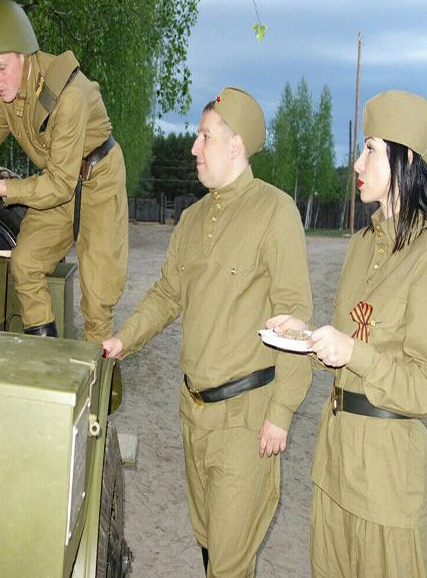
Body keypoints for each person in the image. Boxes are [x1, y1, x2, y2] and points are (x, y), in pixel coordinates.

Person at [103, 87, 313, 577]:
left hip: (246, 420)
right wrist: (122, 339)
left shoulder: (276, 211)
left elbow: (295, 316)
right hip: (193, 413)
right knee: (207, 539)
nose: (194, 147)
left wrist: (281, 413)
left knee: (229, 560)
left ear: (235, 145)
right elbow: (166, 295)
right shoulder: (192, 218)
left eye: (204, 137)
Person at [267, 90, 427, 577]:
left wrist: (353, 352)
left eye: (370, 149)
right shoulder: (361, 245)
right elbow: (348, 347)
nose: (357, 162)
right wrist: (307, 335)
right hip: (334, 467)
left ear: (406, 160)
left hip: (389, 485)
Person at [0, 0, 128, 343]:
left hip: (98, 179)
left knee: (98, 300)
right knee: (25, 262)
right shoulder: (6, 92)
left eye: (0, 67)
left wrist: (3, 189)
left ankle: (100, 375)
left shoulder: (67, 95)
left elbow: (60, 185)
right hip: (56, 181)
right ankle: (46, 355)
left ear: (24, 55)